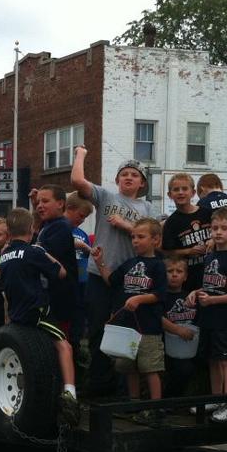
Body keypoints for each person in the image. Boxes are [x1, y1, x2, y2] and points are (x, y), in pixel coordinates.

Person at [70, 146, 159, 397]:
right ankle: (98, 384)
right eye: (124, 174)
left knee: (125, 332)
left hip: (131, 279)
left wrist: (125, 225)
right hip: (99, 274)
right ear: (117, 179)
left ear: (142, 183)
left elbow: (154, 240)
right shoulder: (106, 197)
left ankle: (124, 389)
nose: (128, 177)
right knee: (98, 329)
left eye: (134, 175)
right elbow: (77, 180)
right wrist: (81, 153)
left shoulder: (148, 209)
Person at [0, 207, 79, 424]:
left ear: (8, 232)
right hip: (37, 312)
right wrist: (45, 253)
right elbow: (61, 273)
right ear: (32, 229)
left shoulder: (4, 256)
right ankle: (70, 394)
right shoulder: (34, 252)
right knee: (64, 346)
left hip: (17, 313)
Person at [92, 218, 167, 410]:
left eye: (141, 237)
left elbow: (160, 294)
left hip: (148, 327)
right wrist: (100, 262)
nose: (135, 241)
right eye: (133, 237)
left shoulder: (158, 265)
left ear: (155, 240)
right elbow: (111, 280)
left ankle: (155, 408)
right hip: (126, 328)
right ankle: (133, 405)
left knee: (150, 368)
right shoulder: (128, 263)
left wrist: (140, 299)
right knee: (129, 368)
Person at [186, 207, 227, 423]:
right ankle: (216, 398)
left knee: (226, 360)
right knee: (212, 359)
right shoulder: (210, 256)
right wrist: (195, 293)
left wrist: (214, 301)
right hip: (208, 317)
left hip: (226, 319)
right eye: (215, 228)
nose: (218, 232)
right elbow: (208, 285)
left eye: (224, 228)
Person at [33, 185, 77, 343]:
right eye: (38, 202)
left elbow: (46, 257)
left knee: (59, 339)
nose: (39, 205)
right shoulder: (48, 224)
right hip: (49, 294)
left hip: (61, 296)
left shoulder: (61, 226)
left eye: (45, 201)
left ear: (60, 203)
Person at [161, 173, 211, 293]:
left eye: (185, 188)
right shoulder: (171, 223)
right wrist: (188, 251)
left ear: (193, 193)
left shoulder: (207, 213)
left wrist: (213, 240)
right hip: (189, 276)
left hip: (211, 271)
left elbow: (224, 232)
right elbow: (167, 251)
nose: (180, 192)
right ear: (170, 195)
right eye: (176, 189)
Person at [161, 256, 199, 397]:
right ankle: (169, 400)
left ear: (185, 276)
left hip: (191, 345)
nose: (175, 274)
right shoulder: (160, 297)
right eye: (170, 271)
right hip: (168, 347)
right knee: (183, 369)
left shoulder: (191, 297)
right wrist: (177, 330)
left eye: (179, 271)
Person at [64, 192, 94, 344]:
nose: (82, 220)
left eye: (85, 218)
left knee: (79, 323)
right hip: (65, 284)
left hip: (82, 281)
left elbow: (88, 257)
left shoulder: (82, 234)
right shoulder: (59, 227)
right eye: (81, 215)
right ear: (69, 208)